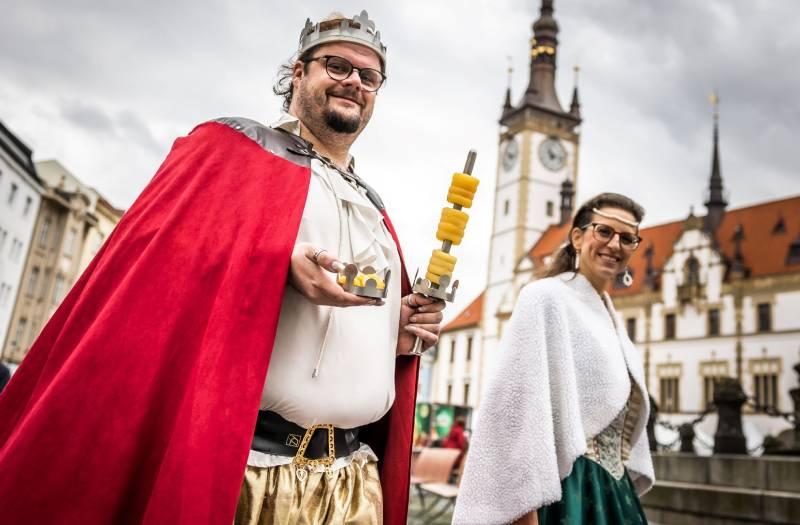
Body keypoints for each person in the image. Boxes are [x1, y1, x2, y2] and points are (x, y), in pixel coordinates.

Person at [0, 10, 443, 525]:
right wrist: (274, 262)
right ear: (298, 72)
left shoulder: (375, 207)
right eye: (337, 66)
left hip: (352, 482)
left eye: (369, 77)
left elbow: (345, 330)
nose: (354, 83)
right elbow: (164, 275)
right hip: (249, 471)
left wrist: (401, 329)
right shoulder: (234, 152)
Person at [452, 193, 655, 525]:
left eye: (627, 238)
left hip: (613, 494)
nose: (615, 244)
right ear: (578, 236)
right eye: (604, 232)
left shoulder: (610, 315)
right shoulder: (544, 296)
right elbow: (513, 408)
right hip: (568, 489)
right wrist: (520, 509)